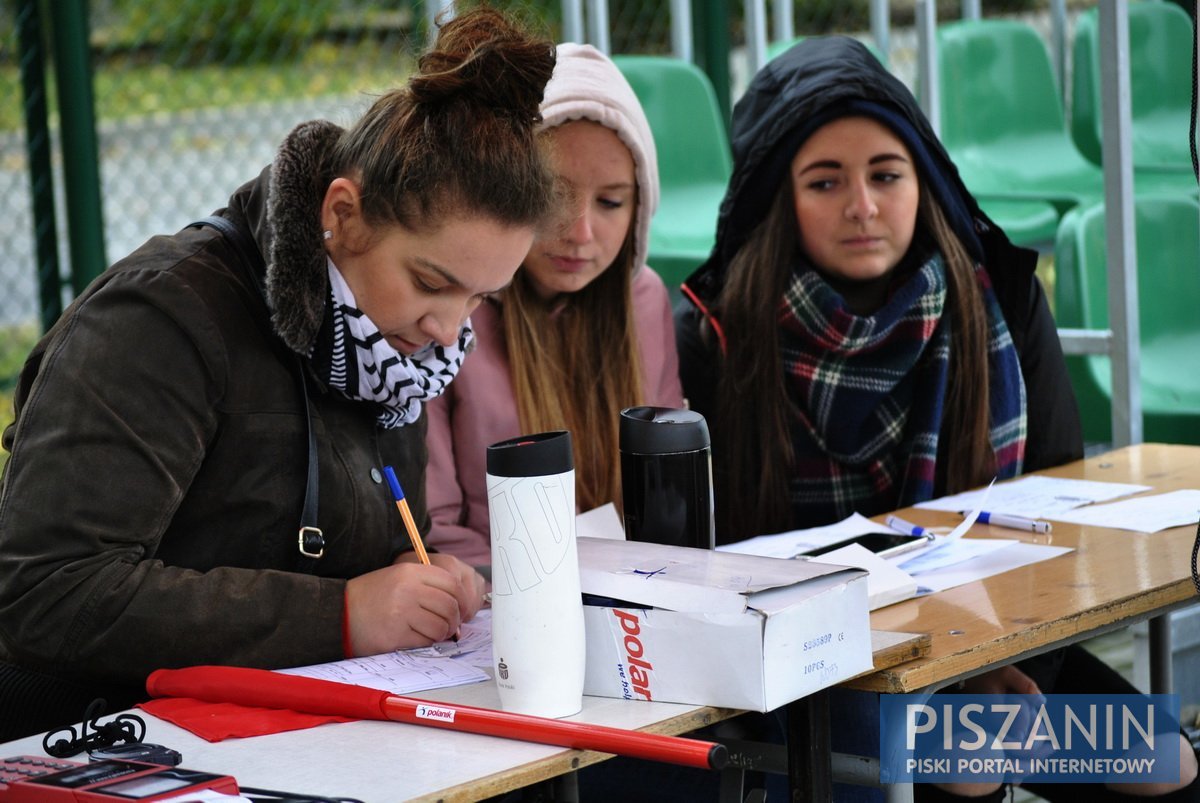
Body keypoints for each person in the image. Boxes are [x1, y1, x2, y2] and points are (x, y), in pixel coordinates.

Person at [0, 7, 558, 740]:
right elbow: (47, 588)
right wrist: (345, 616)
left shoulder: (385, 346)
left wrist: (421, 580)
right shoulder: (162, 318)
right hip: (106, 742)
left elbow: (373, 547)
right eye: (430, 281)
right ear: (343, 215)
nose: (447, 330)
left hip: (300, 740)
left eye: (480, 298)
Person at [674, 35, 1198, 802]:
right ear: (780, 197)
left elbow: (1058, 528)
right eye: (825, 183)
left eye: (887, 174)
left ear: (924, 180)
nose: (863, 206)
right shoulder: (715, 337)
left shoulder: (1005, 300)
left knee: (1162, 758)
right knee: (967, 761)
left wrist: (1004, 665)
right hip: (807, 684)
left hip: (991, 648)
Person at [423, 42, 684, 567]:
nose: (581, 231)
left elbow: (672, 500)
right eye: (552, 194)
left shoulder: (646, 299)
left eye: (611, 202)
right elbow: (436, 531)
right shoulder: (449, 310)